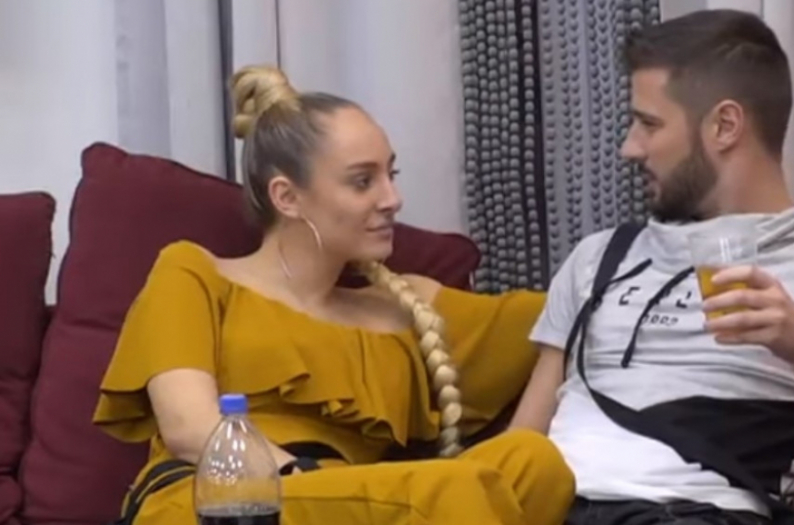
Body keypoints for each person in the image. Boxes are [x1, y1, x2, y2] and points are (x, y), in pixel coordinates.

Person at [91, 65, 574, 525]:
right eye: (363, 181)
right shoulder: (195, 274)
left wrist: (600, 261)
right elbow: (190, 428)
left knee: (534, 461)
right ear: (287, 197)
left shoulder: (406, 306)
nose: (392, 199)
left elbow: (573, 309)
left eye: (391, 176)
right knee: (448, 489)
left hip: (360, 503)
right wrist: (309, 480)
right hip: (219, 504)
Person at [509, 9, 794, 525]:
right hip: (543, 505)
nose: (629, 147)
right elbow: (521, 443)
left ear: (725, 126)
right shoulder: (597, 258)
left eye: (649, 124)